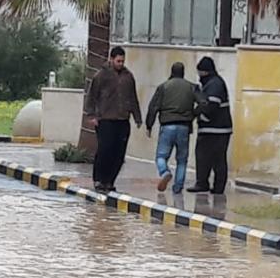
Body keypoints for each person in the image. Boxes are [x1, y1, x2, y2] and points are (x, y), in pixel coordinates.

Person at [84, 46, 142, 193]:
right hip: (105, 119)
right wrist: (91, 115)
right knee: (105, 150)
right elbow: (92, 96)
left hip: (122, 120)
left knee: (119, 153)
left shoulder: (128, 76)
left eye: (122, 61)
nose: (120, 64)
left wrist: (137, 117)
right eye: (118, 61)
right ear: (111, 59)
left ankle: (110, 181)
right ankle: (99, 179)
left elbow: (133, 97)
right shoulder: (101, 76)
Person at [145, 62, 198, 194]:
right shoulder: (191, 87)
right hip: (184, 127)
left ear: (171, 72)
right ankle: (178, 187)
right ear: (183, 72)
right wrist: (192, 115)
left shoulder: (163, 87)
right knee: (182, 160)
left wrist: (149, 125)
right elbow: (203, 102)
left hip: (167, 126)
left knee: (161, 156)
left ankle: (164, 172)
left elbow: (153, 107)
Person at [187, 57, 233, 195]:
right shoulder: (214, 82)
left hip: (215, 129)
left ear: (204, 72)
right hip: (217, 129)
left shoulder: (214, 84)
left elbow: (211, 105)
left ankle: (210, 185)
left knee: (212, 158)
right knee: (209, 158)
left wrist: (198, 115)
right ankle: (208, 184)